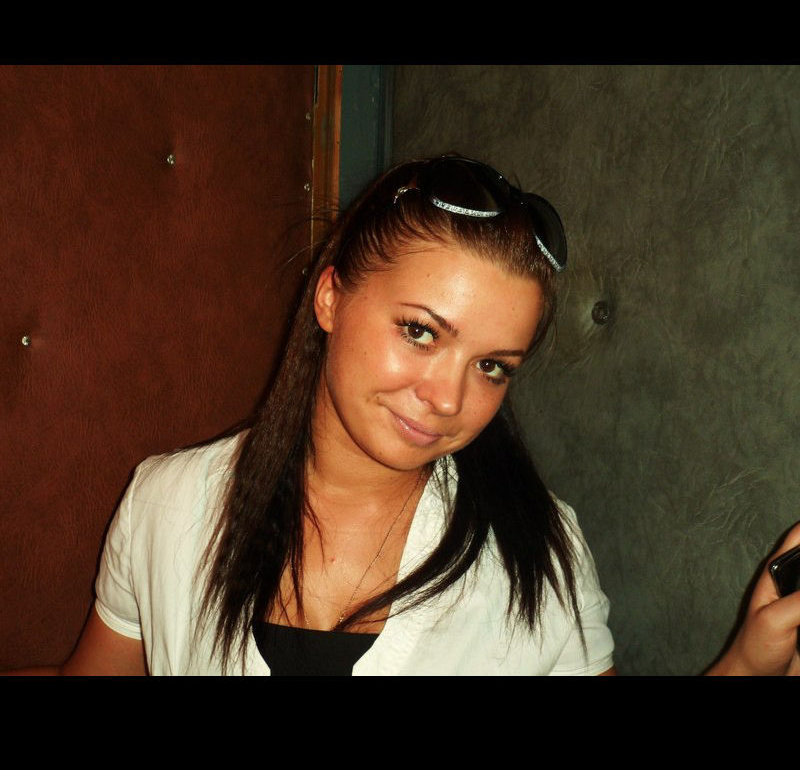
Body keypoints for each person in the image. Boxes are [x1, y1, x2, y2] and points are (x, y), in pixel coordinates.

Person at [10, 156, 800, 676]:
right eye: (421, 332)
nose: (449, 399)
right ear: (330, 296)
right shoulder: (167, 503)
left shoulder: (536, 547)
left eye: (492, 366)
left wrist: (745, 662)